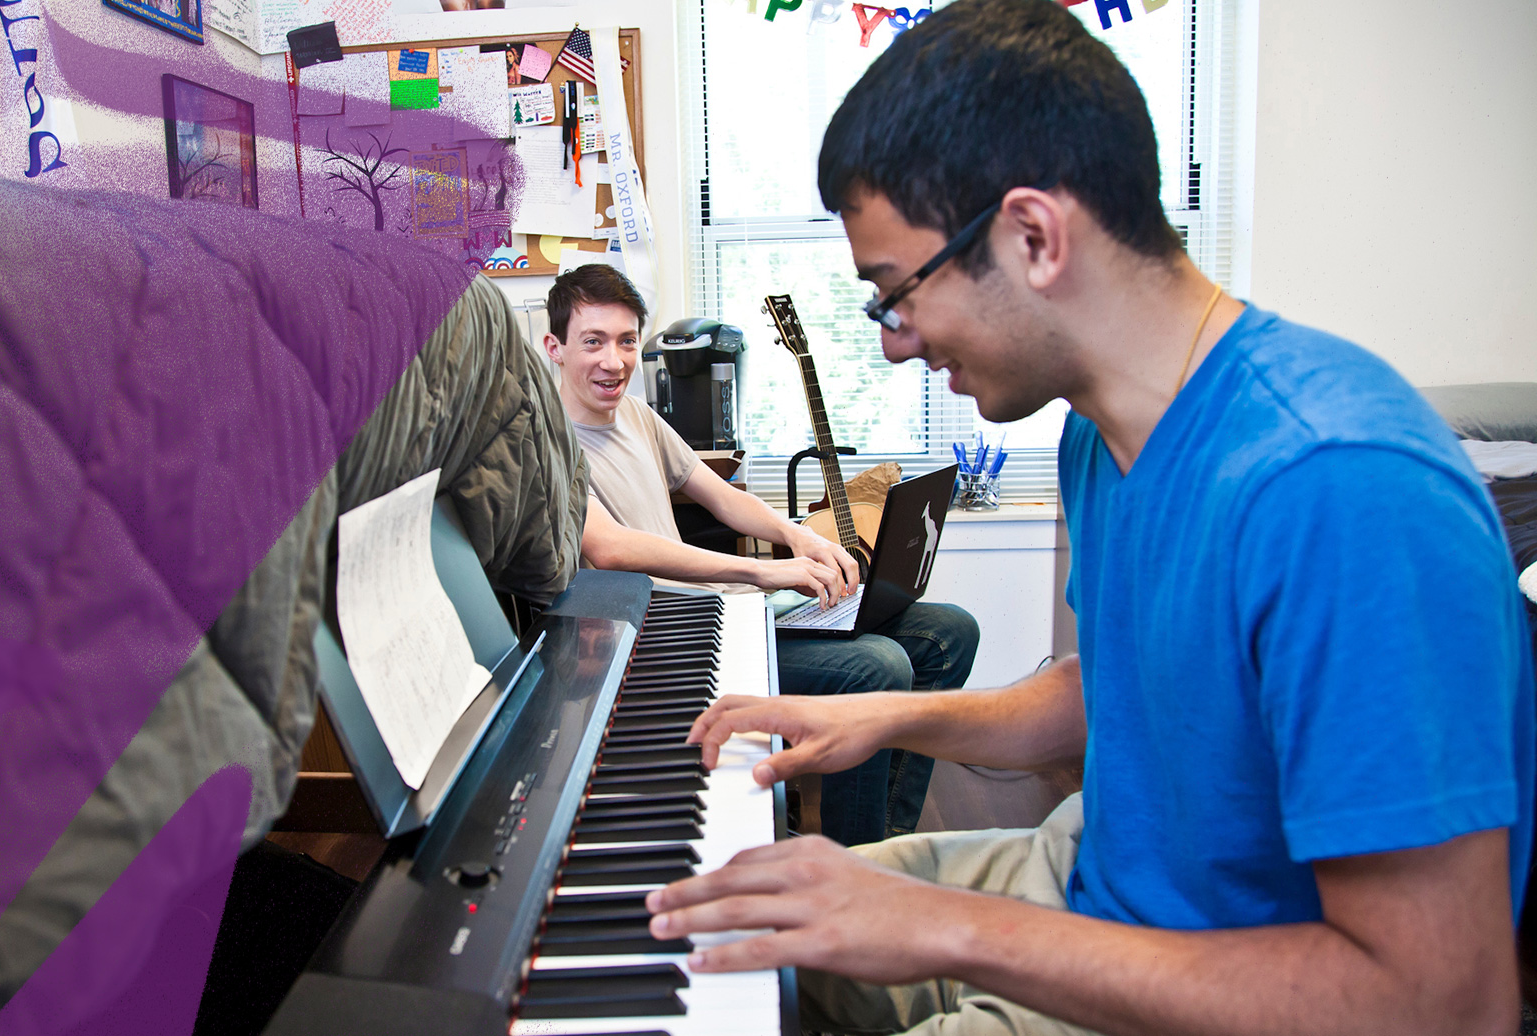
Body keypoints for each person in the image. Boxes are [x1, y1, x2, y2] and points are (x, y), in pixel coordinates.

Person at [642, 2, 1536, 1035]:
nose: (890, 343)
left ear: (1032, 235)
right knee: (714, 929)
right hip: (1080, 870)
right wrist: (880, 714)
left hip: (1221, 981)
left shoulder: (1340, 490)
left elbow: (1441, 1003)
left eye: (896, 294)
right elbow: (1125, 685)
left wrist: (946, 928)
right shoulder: (1099, 430)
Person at [542, 263, 980, 847]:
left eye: (626, 341)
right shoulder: (544, 441)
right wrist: (764, 569)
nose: (613, 361)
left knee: (951, 632)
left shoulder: (636, 414)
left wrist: (802, 537)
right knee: (879, 666)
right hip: (668, 638)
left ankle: (888, 841)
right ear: (555, 347)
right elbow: (609, 547)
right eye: (592, 342)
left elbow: (720, 494)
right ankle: (849, 862)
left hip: (729, 610)